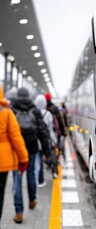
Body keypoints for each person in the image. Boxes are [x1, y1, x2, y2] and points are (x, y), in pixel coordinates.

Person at [11, 87, 50, 224]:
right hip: (32, 148)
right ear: (28, 96)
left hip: (16, 150)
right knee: (31, 174)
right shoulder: (35, 110)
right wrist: (47, 151)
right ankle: (32, 200)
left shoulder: (12, 109)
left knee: (17, 179)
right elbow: (43, 132)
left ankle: (19, 213)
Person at [0, 86, 28, 228]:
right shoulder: (6, 113)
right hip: (3, 160)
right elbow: (16, 138)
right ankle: (19, 211)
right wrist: (24, 158)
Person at [34, 94, 58, 184]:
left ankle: (36, 179)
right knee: (41, 159)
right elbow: (50, 130)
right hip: (44, 140)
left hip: (34, 140)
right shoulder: (48, 114)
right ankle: (40, 180)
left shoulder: (33, 112)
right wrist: (54, 140)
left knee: (36, 161)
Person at [45, 92, 67, 162]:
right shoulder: (55, 108)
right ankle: (55, 161)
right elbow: (60, 120)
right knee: (56, 146)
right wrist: (63, 131)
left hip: (45, 133)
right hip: (55, 132)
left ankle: (49, 160)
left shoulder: (43, 108)